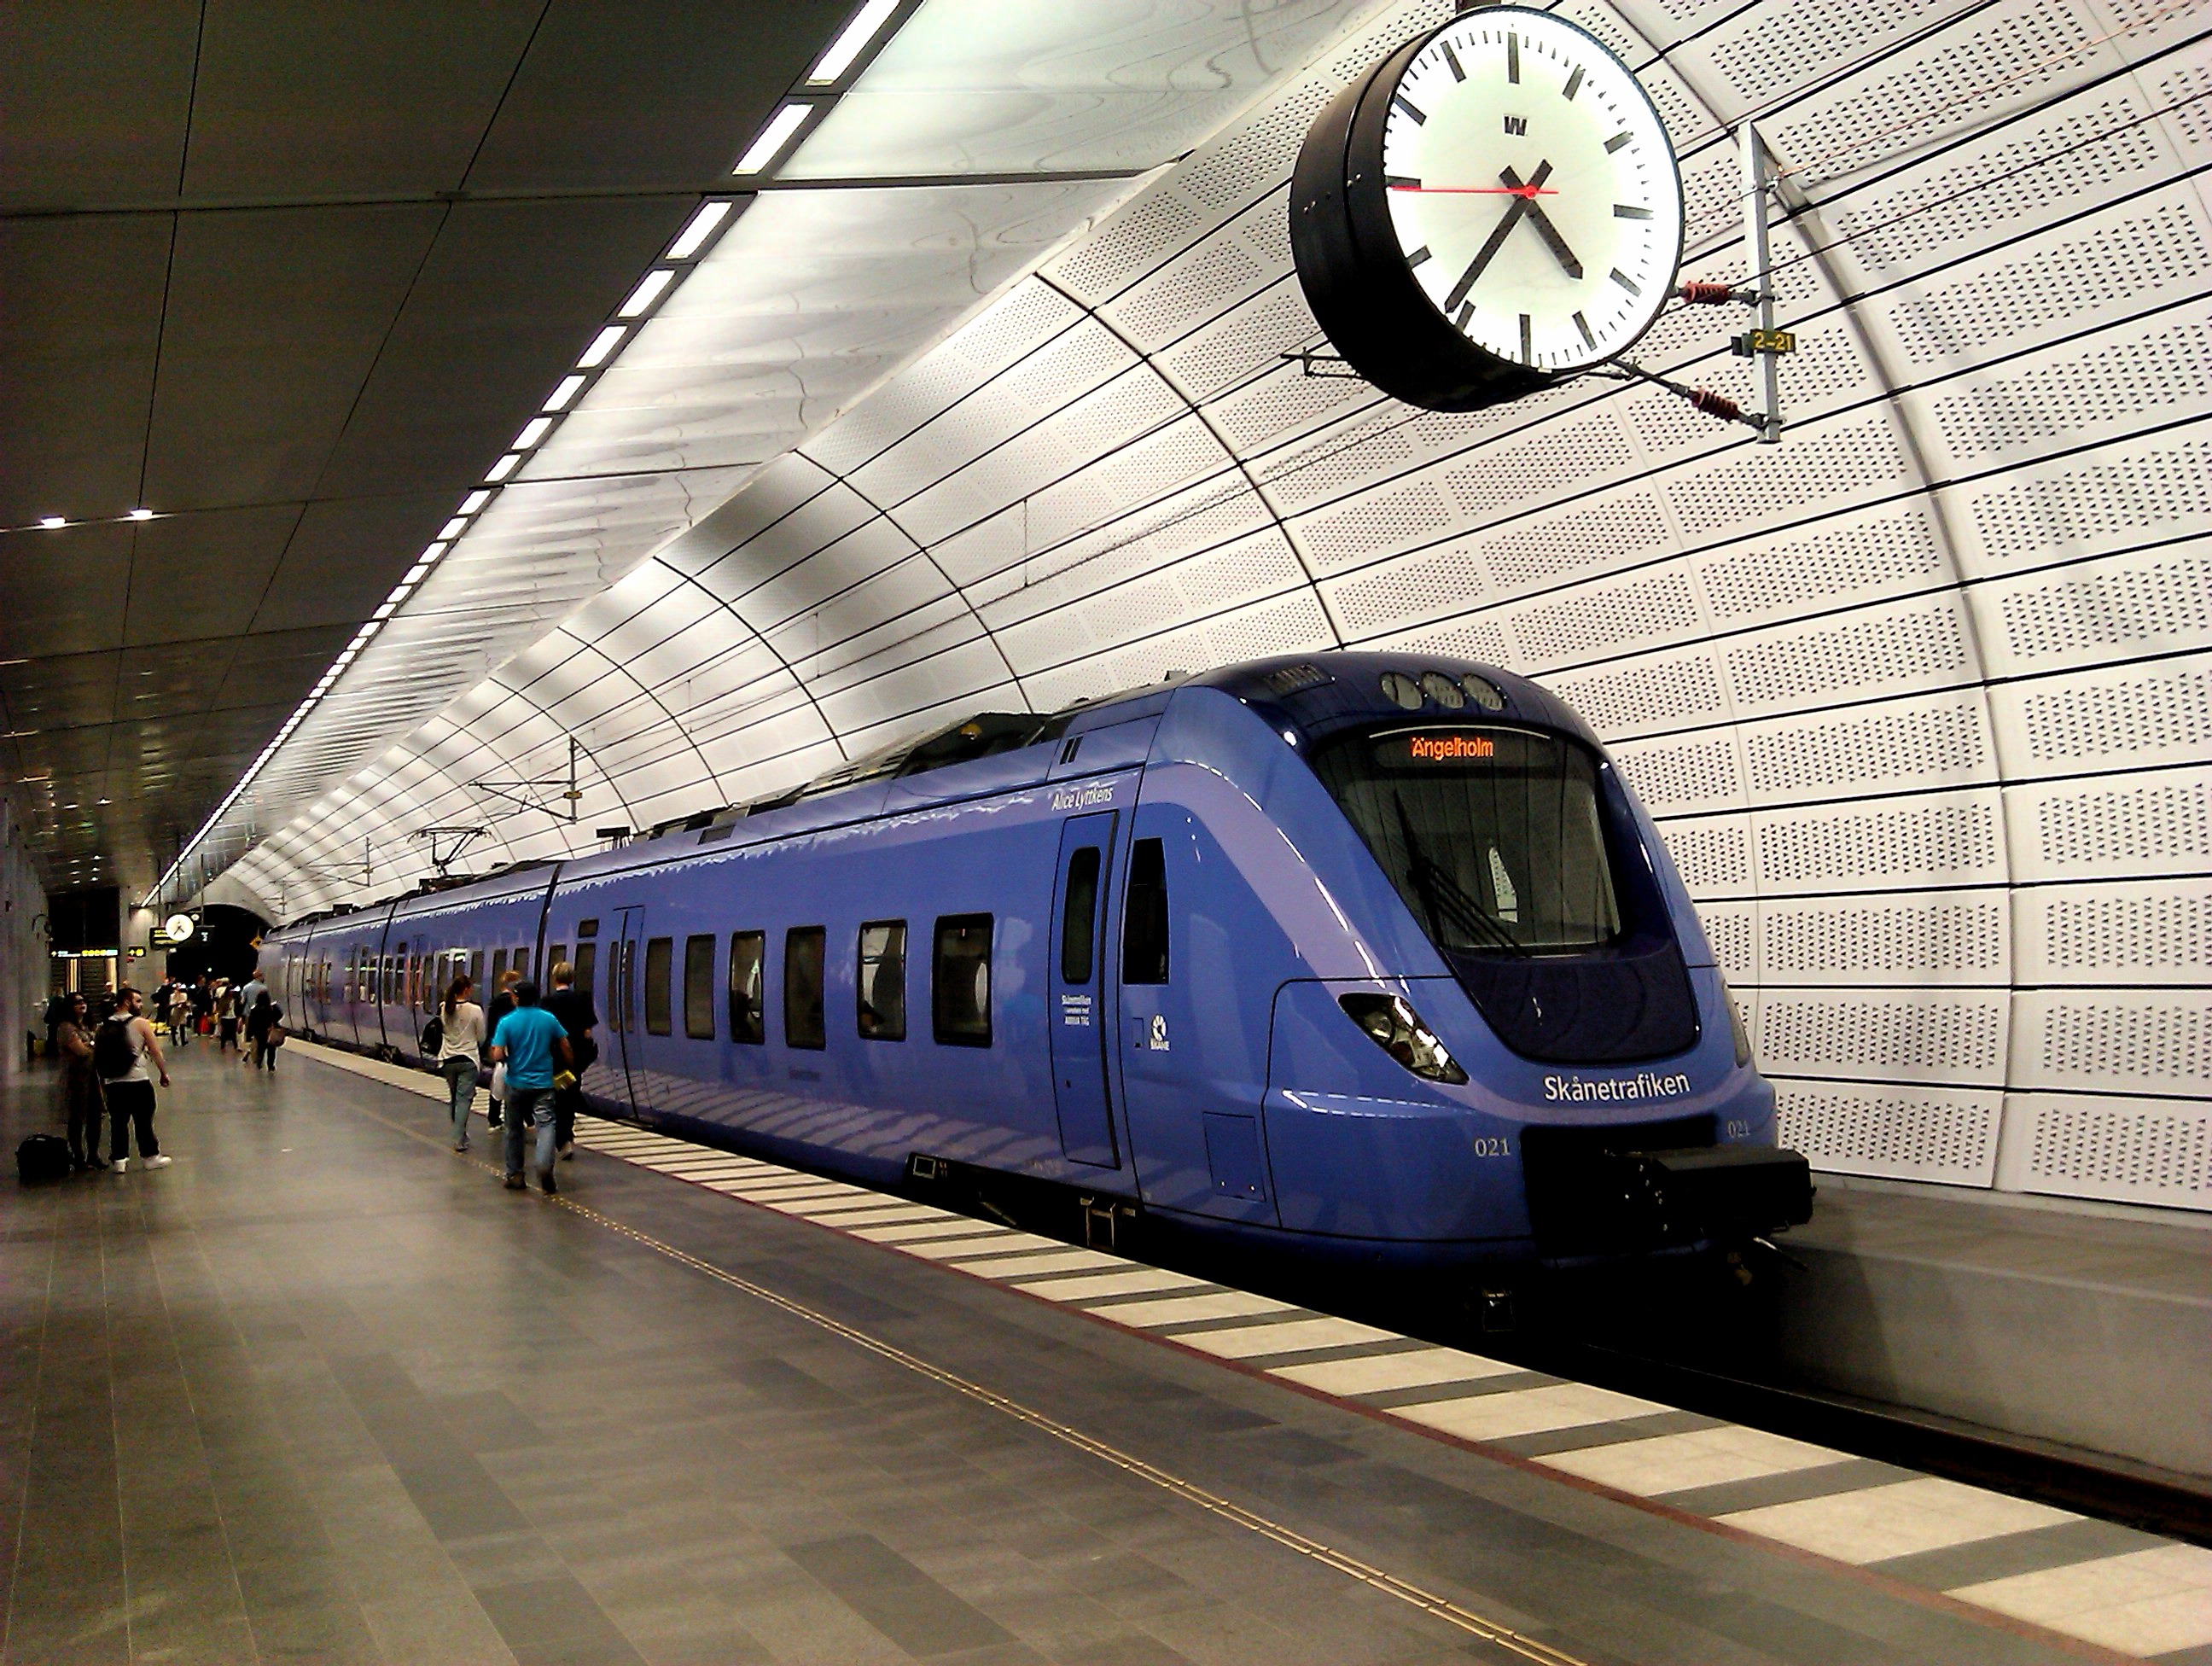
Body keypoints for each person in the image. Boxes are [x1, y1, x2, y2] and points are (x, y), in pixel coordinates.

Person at [489, 982, 570, 1195]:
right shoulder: (548, 1018)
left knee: (514, 1129)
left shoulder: (507, 1021)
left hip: (516, 1083)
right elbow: (565, 1046)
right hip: (543, 1083)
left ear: (516, 998)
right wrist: (571, 1067)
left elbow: (497, 1054)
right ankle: (544, 1167)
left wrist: (505, 1057)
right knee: (546, 1125)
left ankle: (515, 1174)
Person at [97, 987, 171, 1174]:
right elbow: (155, 1051)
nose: (141, 1005)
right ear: (127, 1002)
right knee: (144, 1121)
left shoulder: (104, 1025)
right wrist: (164, 1073)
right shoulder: (140, 1023)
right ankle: (150, 1157)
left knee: (118, 1122)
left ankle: (119, 1160)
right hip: (138, 1081)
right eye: (137, 1001)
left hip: (113, 1083)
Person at [544, 960, 599, 1161]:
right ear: (571, 978)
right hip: (575, 1061)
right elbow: (587, 1032)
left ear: (554, 979)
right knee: (569, 1096)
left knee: (556, 1098)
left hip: (555, 1060)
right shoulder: (582, 999)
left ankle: (561, 1138)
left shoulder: (547, 1002)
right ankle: (566, 1137)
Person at [435, 974, 486, 1152]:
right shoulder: (475, 1010)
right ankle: (458, 1138)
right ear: (465, 990)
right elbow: (481, 1037)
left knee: (455, 1100)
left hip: (448, 1059)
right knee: (464, 1100)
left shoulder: (444, 1007)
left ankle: (461, 1134)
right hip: (468, 1059)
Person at [55, 993, 106, 1171]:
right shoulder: (66, 1028)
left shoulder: (88, 1025)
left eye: (84, 1001)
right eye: (77, 1003)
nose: (82, 1005)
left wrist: (90, 1045)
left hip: (93, 1076)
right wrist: (93, 1045)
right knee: (76, 1118)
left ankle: (94, 1155)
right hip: (75, 1078)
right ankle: (78, 1157)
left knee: (95, 1117)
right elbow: (81, 1052)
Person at [481, 969, 522, 1131]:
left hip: (501, 1048)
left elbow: (491, 1028)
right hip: (517, 1049)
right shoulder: (517, 1004)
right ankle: (518, 1118)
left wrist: (493, 1047)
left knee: (497, 1085)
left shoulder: (495, 1002)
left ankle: (494, 1118)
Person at [245, 989, 284, 1071]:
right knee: (272, 1050)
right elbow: (280, 1014)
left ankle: (259, 1063)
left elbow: (251, 1023)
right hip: (271, 1031)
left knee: (261, 1048)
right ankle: (271, 1066)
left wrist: (249, 1035)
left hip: (260, 1032)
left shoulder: (254, 1009)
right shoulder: (273, 1008)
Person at [166, 980, 195, 1048]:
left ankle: (183, 1041)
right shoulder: (172, 995)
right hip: (175, 1010)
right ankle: (174, 1040)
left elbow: (185, 1001)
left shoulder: (184, 995)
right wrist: (177, 1000)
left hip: (182, 1011)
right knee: (173, 1026)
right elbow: (171, 1003)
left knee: (182, 1025)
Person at [215, 978, 240, 1053]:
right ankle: (223, 1046)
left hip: (233, 1017)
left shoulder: (236, 999)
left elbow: (239, 1007)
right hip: (225, 1017)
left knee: (233, 1033)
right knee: (224, 1032)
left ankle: (236, 1046)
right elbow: (220, 1007)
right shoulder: (224, 999)